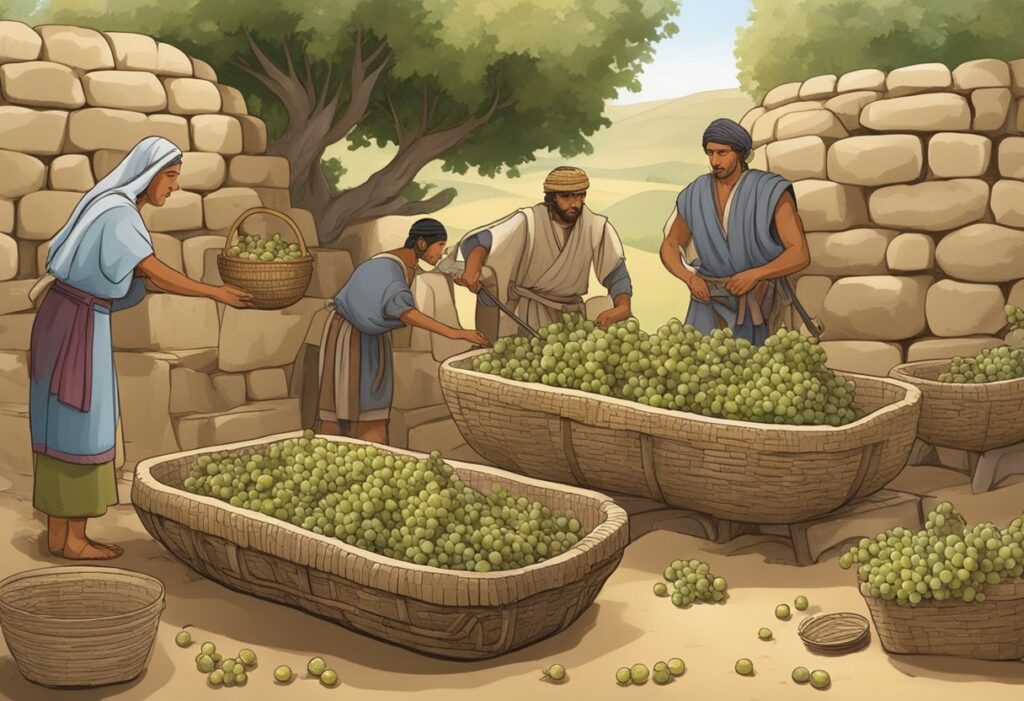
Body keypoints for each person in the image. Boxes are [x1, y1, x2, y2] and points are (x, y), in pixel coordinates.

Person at [29, 136, 253, 561]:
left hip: (63, 318)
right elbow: (152, 271)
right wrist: (213, 293)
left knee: (60, 422)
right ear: (148, 174)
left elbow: (135, 278)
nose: (174, 186)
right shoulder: (119, 214)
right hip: (78, 326)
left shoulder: (108, 205)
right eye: (169, 176)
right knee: (83, 423)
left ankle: (60, 535)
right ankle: (73, 540)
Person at [316, 218, 489, 445]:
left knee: (370, 404)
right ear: (421, 243)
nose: (441, 253)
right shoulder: (386, 267)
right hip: (350, 338)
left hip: (369, 337)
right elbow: (404, 311)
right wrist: (457, 333)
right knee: (354, 407)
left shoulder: (403, 265)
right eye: (439, 246)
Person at [659, 118, 811, 345]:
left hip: (755, 298)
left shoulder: (770, 190)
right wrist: (689, 278)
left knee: (748, 369)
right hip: (706, 296)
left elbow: (799, 253)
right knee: (697, 363)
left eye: (722, 153)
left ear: (740, 153)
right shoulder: (695, 193)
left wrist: (755, 274)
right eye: (710, 153)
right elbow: (670, 245)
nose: (714, 161)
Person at [451, 166, 633, 341]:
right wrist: (473, 265)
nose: (575, 203)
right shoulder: (529, 221)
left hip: (573, 318)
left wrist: (623, 306)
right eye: (567, 196)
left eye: (580, 195)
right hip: (529, 315)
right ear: (552, 197)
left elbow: (615, 272)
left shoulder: (595, 226)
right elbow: (484, 240)